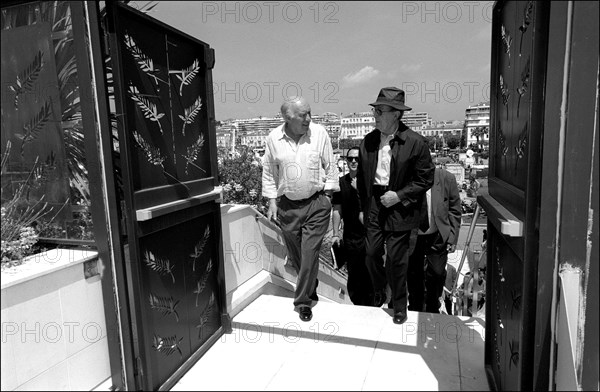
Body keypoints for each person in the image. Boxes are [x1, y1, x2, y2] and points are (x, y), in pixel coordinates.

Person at [356, 87, 435, 324]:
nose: (375, 115)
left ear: (396, 114)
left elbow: (425, 179)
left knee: (397, 260)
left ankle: (399, 306)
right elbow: (361, 178)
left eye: (380, 111)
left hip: (401, 205)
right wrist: (363, 207)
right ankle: (381, 287)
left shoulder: (416, 142)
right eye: (375, 110)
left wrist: (398, 195)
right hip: (374, 203)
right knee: (370, 254)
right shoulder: (368, 141)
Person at [262, 97, 339, 322]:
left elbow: (331, 165)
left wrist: (328, 195)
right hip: (287, 205)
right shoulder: (273, 138)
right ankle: (310, 282)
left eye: (309, 113)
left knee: (309, 252)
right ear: (288, 118)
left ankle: (303, 302)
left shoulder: (319, 133)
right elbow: (268, 172)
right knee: (296, 253)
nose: (308, 119)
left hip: (316, 204)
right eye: (303, 115)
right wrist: (272, 201)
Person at [407, 166, 462, 313]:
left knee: (437, 273)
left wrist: (452, 237)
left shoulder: (446, 178)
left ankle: (433, 304)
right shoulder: (406, 175)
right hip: (414, 235)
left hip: (437, 235)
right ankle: (415, 306)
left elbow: (455, 209)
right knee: (413, 274)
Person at [331, 147, 373, 306]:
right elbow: (337, 210)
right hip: (351, 237)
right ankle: (358, 304)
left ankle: (371, 303)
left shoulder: (370, 183)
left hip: (369, 235)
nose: (354, 161)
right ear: (346, 161)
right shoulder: (340, 183)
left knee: (369, 272)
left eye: (357, 158)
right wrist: (335, 233)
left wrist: (359, 189)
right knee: (354, 273)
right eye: (350, 159)